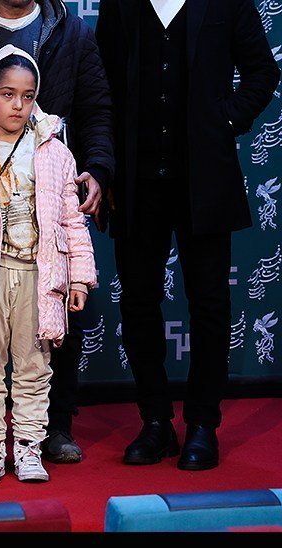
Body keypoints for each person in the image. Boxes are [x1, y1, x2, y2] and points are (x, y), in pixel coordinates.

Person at [95, 0, 280, 470]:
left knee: (210, 304)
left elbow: (262, 71)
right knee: (138, 303)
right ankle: (155, 422)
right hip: (136, 182)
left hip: (206, 178)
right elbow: (103, 88)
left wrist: (225, 121)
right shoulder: (119, 5)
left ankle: (202, 424)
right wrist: (108, 168)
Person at [0, 0, 114, 464]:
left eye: (27, 95)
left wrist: (97, 167)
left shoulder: (73, 32)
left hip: (50, 211)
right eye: (7, 93)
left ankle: (53, 429)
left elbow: (96, 109)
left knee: (53, 329)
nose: (18, 103)